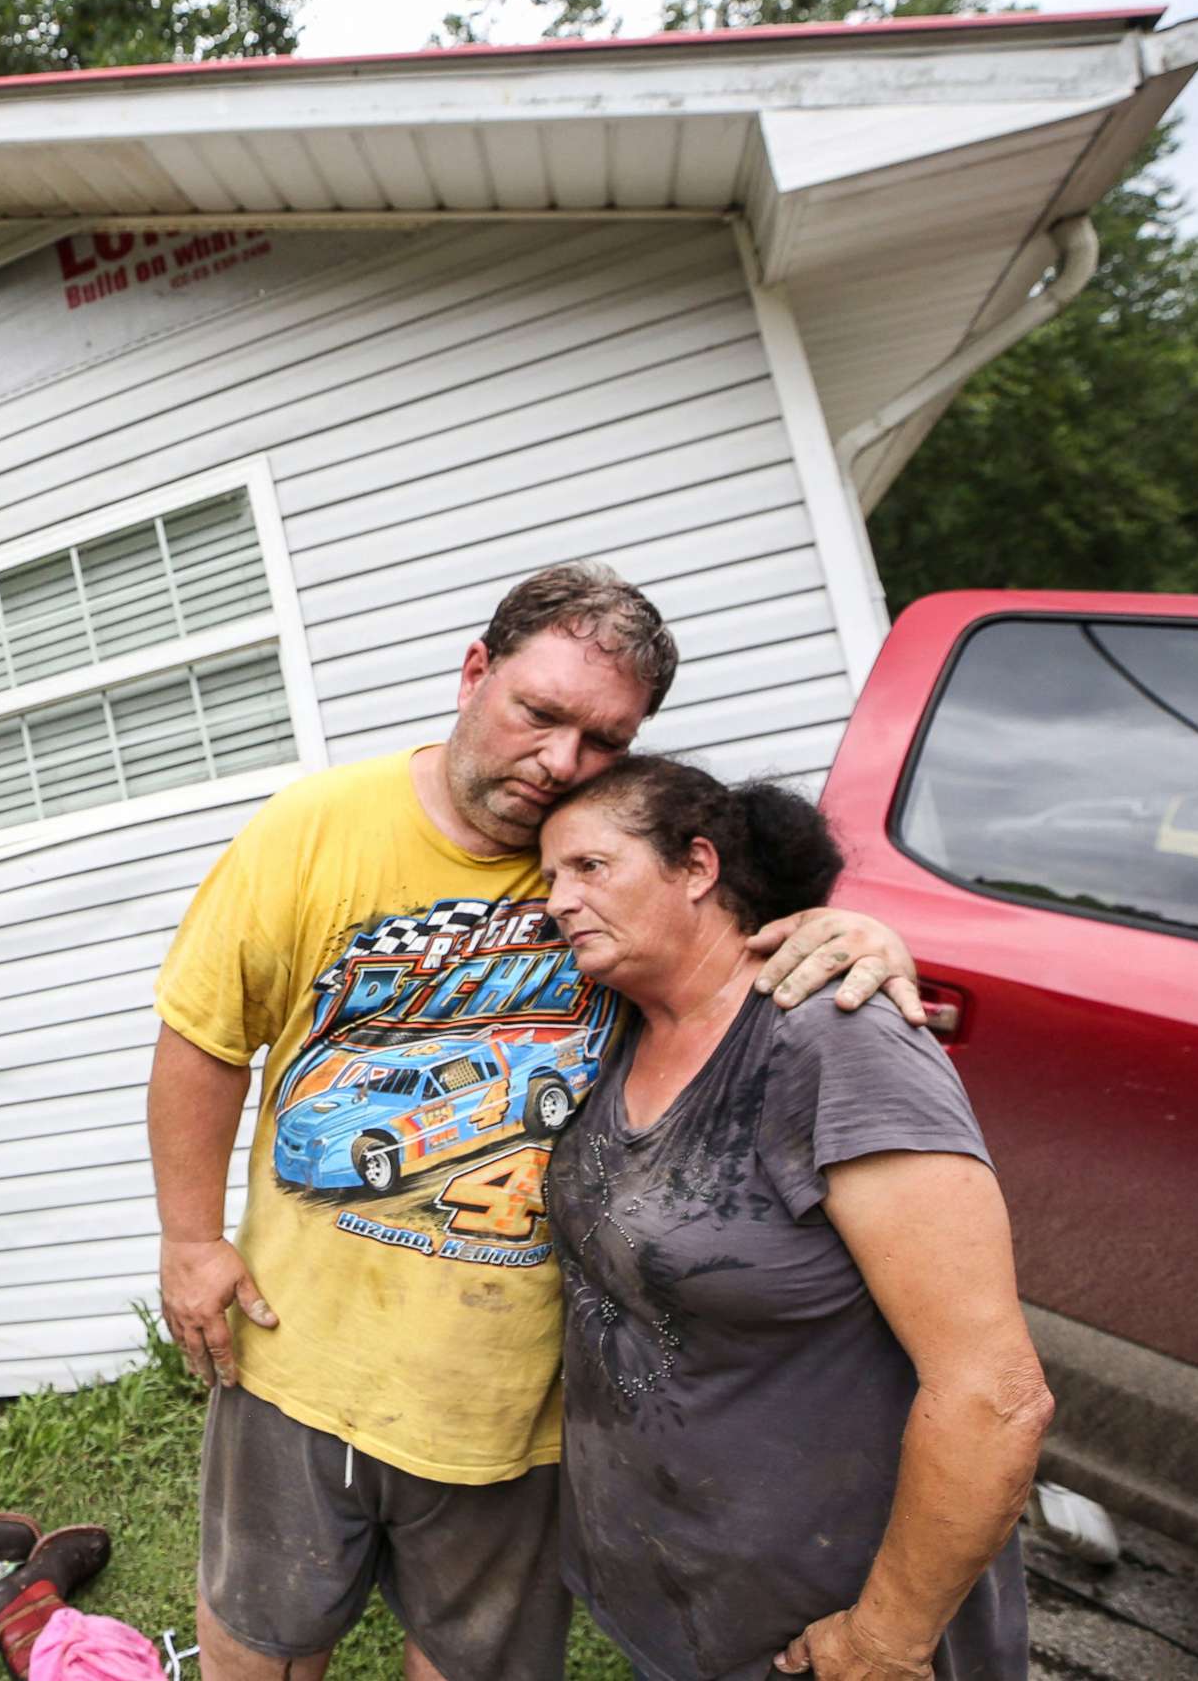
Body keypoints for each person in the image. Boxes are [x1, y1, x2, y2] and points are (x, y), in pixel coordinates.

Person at [147, 562, 928, 1681]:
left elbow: (747, 915)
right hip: (298, 1352)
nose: (562, 762)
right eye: (540, 713)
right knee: (259, 1632)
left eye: (604, 739)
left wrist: (858, 932)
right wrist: (189, 1239)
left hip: (520, 1392)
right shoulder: (315, 827)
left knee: (475, 1659)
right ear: (475, 674)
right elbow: (204, 1039)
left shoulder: (615, 865)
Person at [540, 756, 1050, 1681]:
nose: (558, 901)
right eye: (549, 878)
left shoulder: (834, 1038)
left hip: (823, 1638)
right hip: (679, 1608)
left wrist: (884, 1642)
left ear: (697, 867)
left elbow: (995, 1396)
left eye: (589, 868)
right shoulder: (614, 1030)